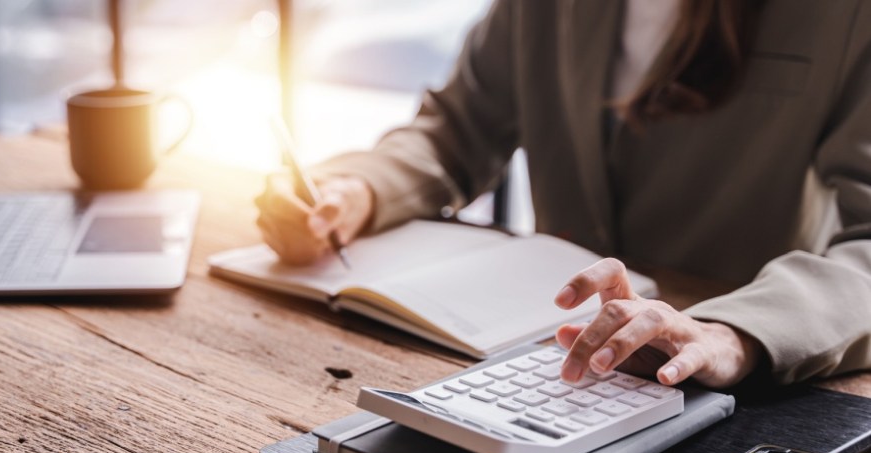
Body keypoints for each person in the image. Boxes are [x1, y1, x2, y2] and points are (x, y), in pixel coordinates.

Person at [255, 0, 871, 388]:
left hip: (722, 377)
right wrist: (358, 190)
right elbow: (455, 129)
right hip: (545, 358)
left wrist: (730, 333)